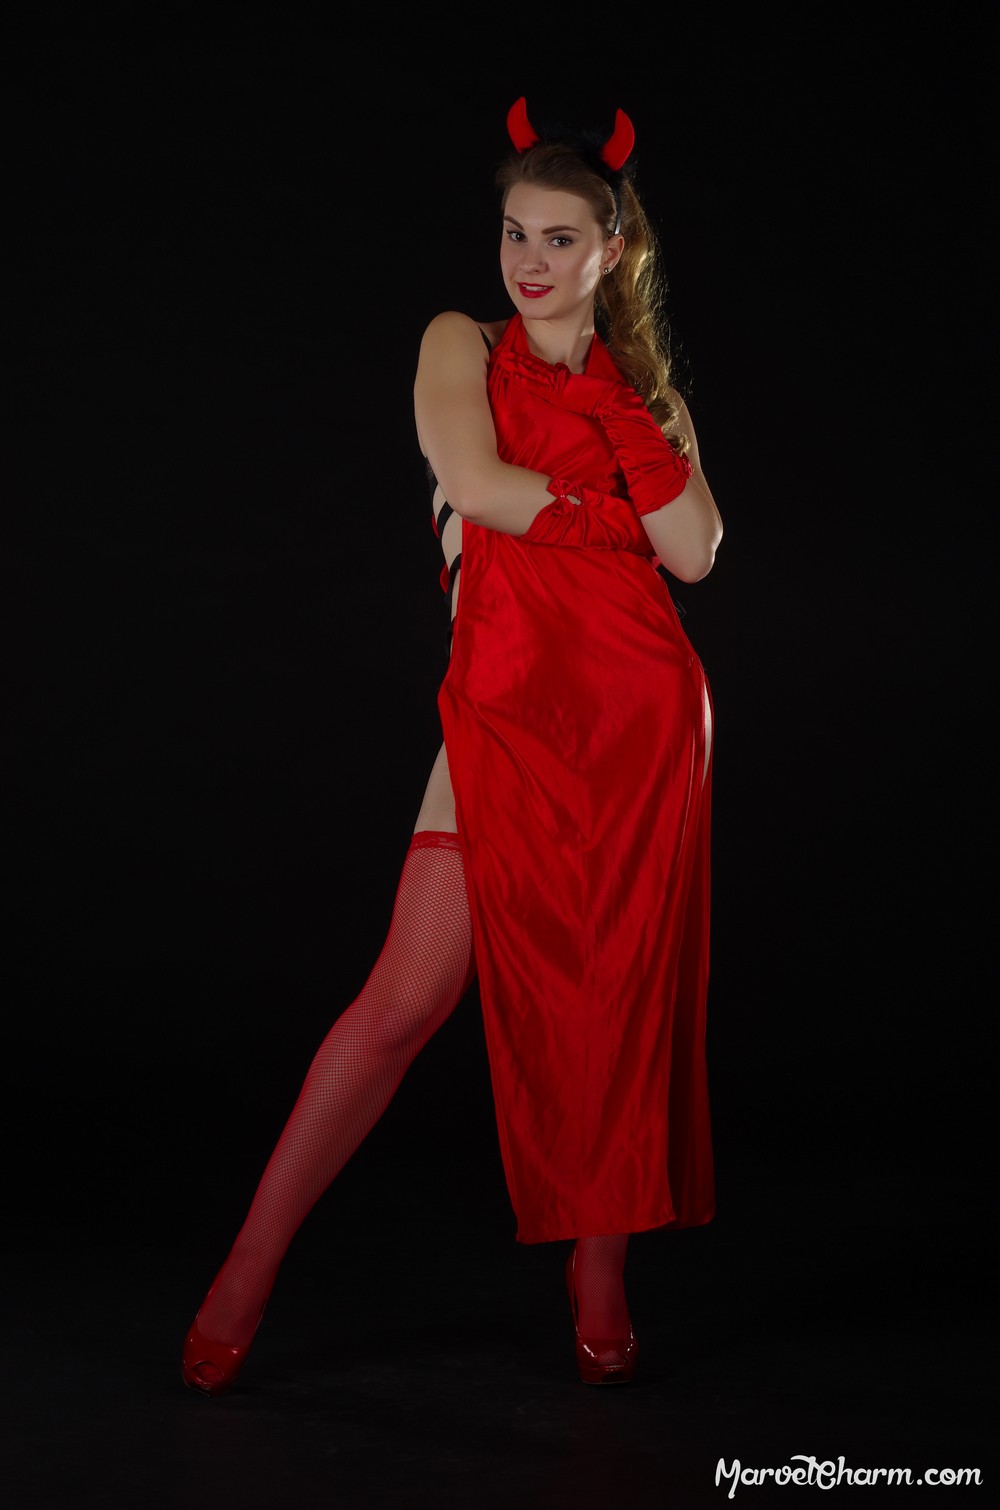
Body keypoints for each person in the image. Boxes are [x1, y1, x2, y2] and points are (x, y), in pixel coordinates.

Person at [181, 95, 723, 1397]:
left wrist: (615, 413)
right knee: (404, 999)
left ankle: (601, 1275)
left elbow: (699, 552)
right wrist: (614, 517)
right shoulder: (458, 341)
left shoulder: (646, 394)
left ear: (612, 250)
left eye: (559, 237)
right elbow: (477, 487)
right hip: (504, 701)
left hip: (640, 714)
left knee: (615, 1003)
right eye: (514, 233)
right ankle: (248, 1264)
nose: (528, 260)